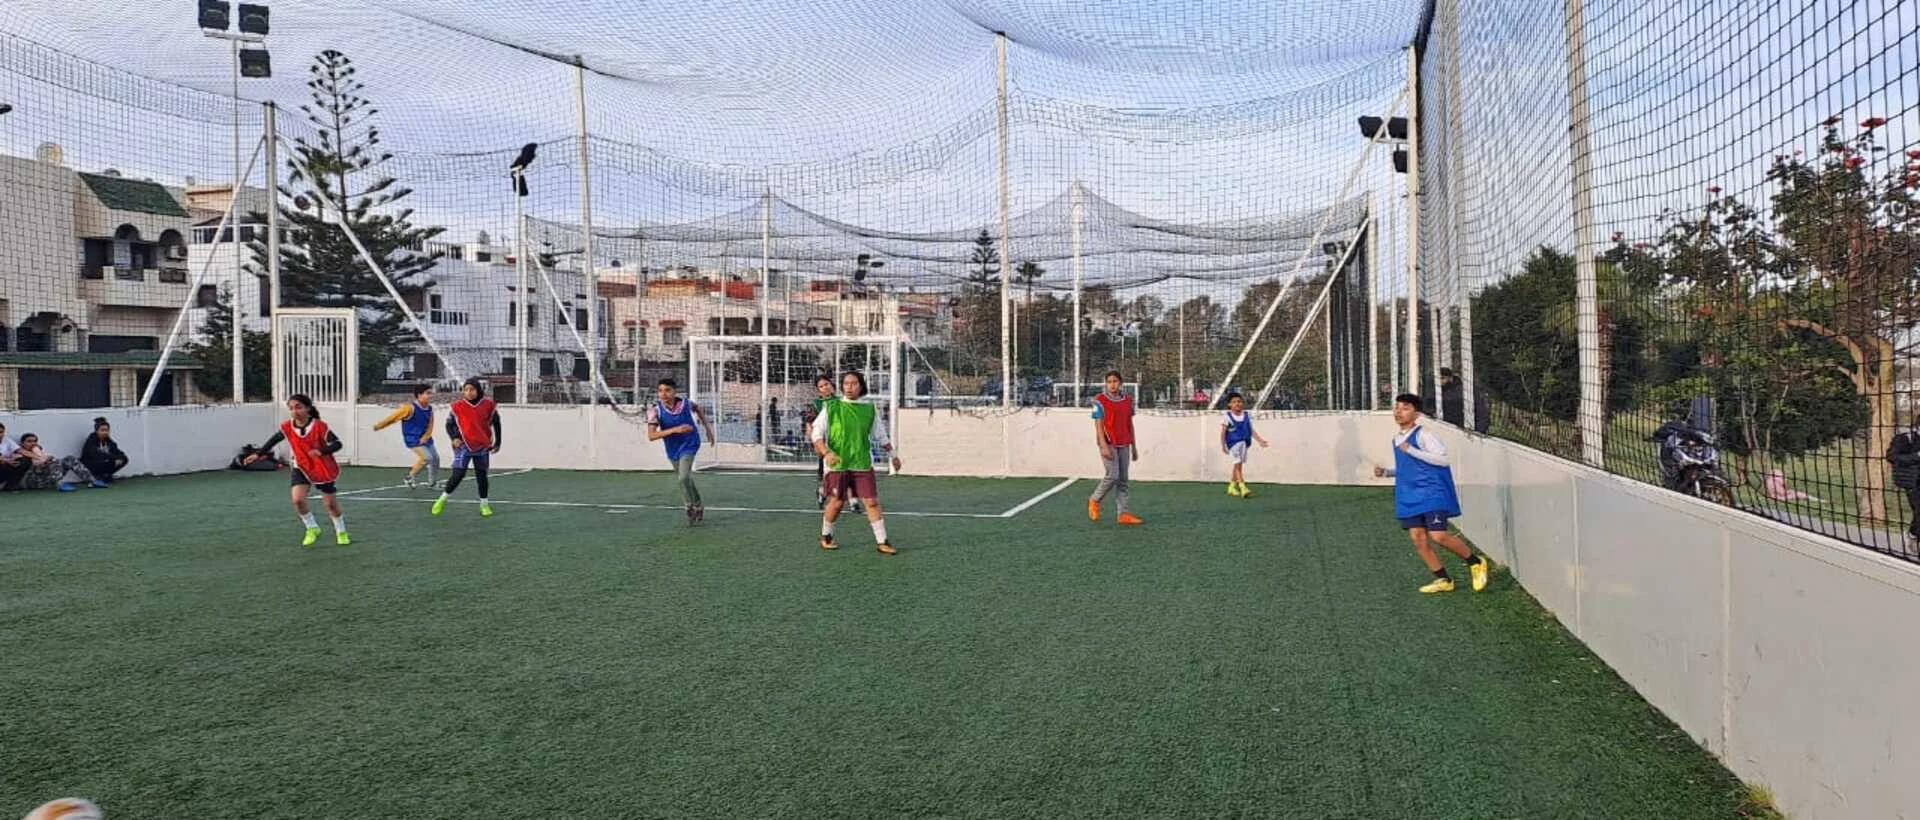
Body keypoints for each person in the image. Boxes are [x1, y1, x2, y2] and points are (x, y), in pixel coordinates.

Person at [1374, 393, 1490, 594]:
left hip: (1431, 492)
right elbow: (1408, 467)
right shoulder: (1397, 439)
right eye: (1397, 408)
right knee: (1418, 539)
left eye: (1405, 408)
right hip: (1408, 496)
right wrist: (1387, 472)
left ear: (1416, 414)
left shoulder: (1423, 435)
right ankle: (1444, 580)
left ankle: (1475, 562)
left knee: (1439, 536)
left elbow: (1443, 460)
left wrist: (1411, 450)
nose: (1399, 412)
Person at [811, 370, 901, 555]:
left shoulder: (869, 409)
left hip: (862, 463)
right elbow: (816, 434)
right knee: (837, 502)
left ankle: (883, 541)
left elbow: (880, 434)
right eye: (846, 384)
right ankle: (826, 536)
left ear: (861, 386)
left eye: (853, 383)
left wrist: (893, 455)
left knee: (872, 502)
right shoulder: (832, 407)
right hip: (838, 465)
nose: (849, 387)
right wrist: (827, 452)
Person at [256, 394, 349, 547]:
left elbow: (337, 444)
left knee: (330, 504)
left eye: (298, 407)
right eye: (291, 408)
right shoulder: (287, 427)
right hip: (301, 467)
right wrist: (258, 454)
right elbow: (273, 441)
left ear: (308, 408)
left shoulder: (319, 426)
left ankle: (341, 531)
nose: (294, 411)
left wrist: (321, 451)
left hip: (322, 468)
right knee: (298, 500)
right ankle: (312, 528)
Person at [647, 378, 716, 525]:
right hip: (673, 447)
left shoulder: (685, 404)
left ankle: (692, 505)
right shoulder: (655, 410)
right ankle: (695, 504)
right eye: (660, 391)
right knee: (684, 478)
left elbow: (697, 408)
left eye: (667, 390)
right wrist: (675, 430)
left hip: (690, 443)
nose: (663, 394)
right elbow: (652, 436)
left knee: (683, 477)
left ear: (674, 391)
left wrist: (708, 429)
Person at [433, 378, 501, 518]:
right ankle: (442, 499)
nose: (469, 392)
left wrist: (498, 442)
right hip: (463, 445)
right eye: (466, 390)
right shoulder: (457, 407)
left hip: (482, 445)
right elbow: (449, 425)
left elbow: (497, 423)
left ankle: (484, 505)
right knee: (458, 474)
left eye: (472, 389)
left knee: (481, 475)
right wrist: (454, 438)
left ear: (478, 390)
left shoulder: (488, 405)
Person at [1088, 370, 1144, 526]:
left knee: (1123, 479)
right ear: (1106, 384)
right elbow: (1098, 425)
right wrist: (1103, 445)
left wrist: (1134, 446)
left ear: (1120, 383)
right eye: (1109, 381)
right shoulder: (1099, 401)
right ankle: (1094, 499)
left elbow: (1129, 424)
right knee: (1112, 475)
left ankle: (1123, 514)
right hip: (1108, 443)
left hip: (1124, 443)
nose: (1112, 384)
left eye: (1115, 381)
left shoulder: (1127, 400)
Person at [372, 384, 441, 489]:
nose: (430, 396)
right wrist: (379, 426)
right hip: (412, 439)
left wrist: (426, 437)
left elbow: (430, 425)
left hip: (425, 439)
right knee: (427, 457)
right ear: (419, 395)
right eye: (428, 393)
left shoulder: (429, 409)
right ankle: (410, 476)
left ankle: (432, 483)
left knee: (435, 458)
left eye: (430, 393)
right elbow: (392, 418)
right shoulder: (409, 408)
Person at [1220, 391, 1269, 498]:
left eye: (1239, 401)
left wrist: (1260, 440)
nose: (1237, 404)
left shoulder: (1246, 416)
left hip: (1244, 443)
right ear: (1229, 405)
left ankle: (1232, 487)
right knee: (1238, 464)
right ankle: (1243, 486)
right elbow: (1223, 432)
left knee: (1238, 465)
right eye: (1234, 402)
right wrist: (1223, 445)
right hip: (1233, 444)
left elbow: (1251, 430)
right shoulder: (1227, 417)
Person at [9, 433, 96, 492]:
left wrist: (46, 460)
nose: (33, 443)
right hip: (30, 482)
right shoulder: (18, 453)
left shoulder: (37, 451)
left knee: (69, 459)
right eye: (29, 441)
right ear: (22, 443)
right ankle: (60, 484)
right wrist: (43, 463)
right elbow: (30, 466)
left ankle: (92, 480)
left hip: (46, 479)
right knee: (53, 462)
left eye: (35, 441)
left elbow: (45, 461)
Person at [1887, 411, 1920, 552]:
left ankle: (1915, 534)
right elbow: (1892, 456)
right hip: (1913, 481)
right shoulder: (1905, 438)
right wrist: (1917, 456)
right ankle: (1913, 535)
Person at [802, 375, 837, 509]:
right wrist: (815, 442)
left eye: (826, 384)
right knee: (825, 470)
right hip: (822, 440)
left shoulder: (840, 401)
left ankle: (852, 501)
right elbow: (810, 423)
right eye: (821, 386)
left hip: (838, 439)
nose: (825, 388)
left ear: (831, 385)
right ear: (818, 391)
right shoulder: (816, 404)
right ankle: (822, 491)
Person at [78, 418, 128, 486]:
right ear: (97, 431)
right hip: (90, 464)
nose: (105, 432)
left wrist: (119, 458)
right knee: (109, 460)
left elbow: (119, 453)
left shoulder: (109, 441)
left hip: (103, 463)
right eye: (102, 430)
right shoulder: (91, 440)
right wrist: (113, 458)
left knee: (124, 459)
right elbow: (95, 454)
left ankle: (105, 475)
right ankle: (99, 476)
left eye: (107, 430)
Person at [0, 422, 23, 491]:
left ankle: (10, 485)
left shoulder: (6, 440)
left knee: (23, 460)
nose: (0, 435)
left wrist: (39, 457)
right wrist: (7, 460)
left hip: (5, 464)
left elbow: (20, 451)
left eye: (1, 432)